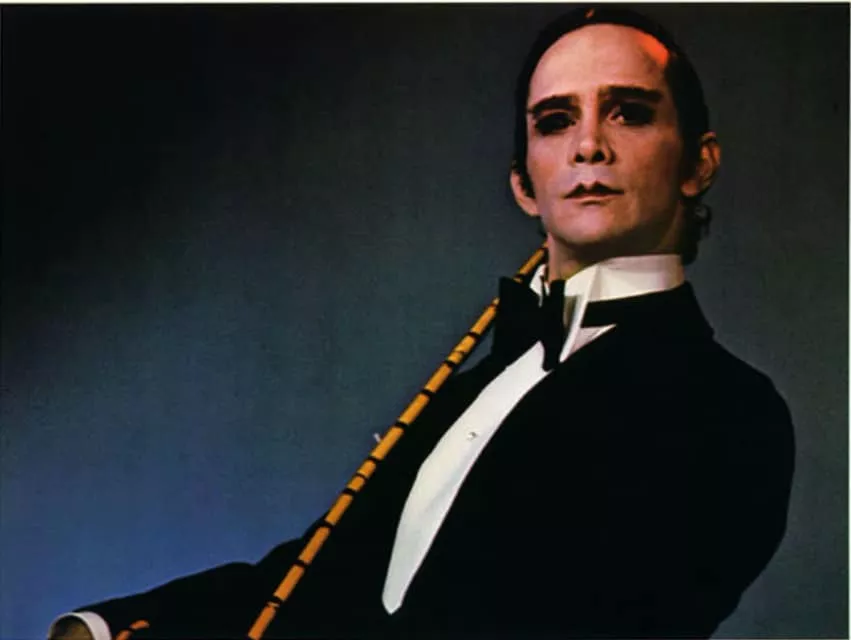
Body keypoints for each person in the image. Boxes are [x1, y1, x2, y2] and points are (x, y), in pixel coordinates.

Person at [50, 7, 795, 640]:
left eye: (628, 112)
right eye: (554, 121)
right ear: (522, 183)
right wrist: (109, 629)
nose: (587, 146)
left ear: (697, 164)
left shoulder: (731, 412)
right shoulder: (467, 390)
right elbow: (315, 580)